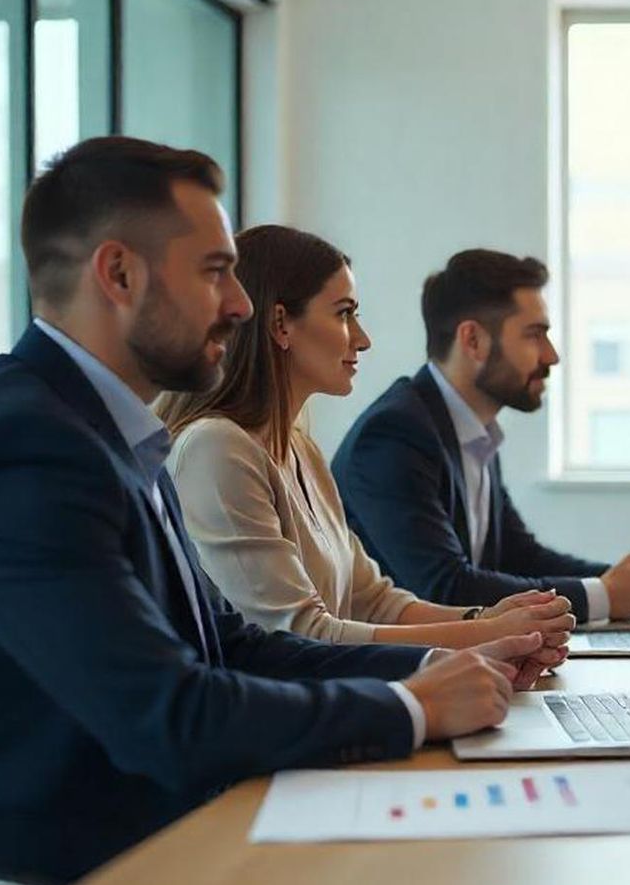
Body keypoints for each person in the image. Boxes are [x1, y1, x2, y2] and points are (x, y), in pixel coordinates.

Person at [0, 136, 562, 885]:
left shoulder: (107, 434)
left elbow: (232, 643)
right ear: (119, 274)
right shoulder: (19, 452)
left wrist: (441, 670)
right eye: (216, 271)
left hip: (148, 849)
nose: (237, 303)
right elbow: (170, 713)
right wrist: (416, 704)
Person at [158, 224, 576, 658]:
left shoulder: (302, 449)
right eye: (343, 313)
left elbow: (376, 602)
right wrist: (490, 637)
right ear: (281, 324)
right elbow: (300, 634)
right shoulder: (217, 449)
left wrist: (485, 620)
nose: (362, 338)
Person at [334, 249, 630, 625]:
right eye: (535, 335)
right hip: (401, 674)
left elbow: (519, 556)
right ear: (473, 340)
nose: (552, 355)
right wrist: (604, 595)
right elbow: (445, 587)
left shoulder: (471, 431)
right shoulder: (394, 436)